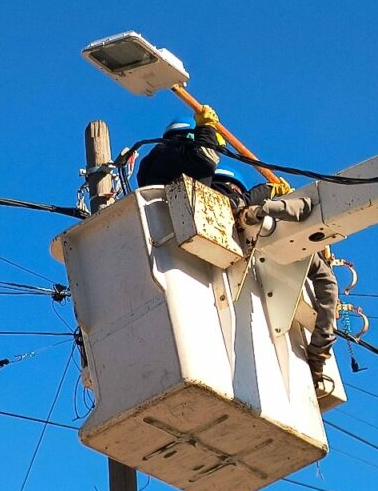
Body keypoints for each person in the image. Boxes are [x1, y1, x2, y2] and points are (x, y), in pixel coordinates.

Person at [210, 166, 340, 387]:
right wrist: (270, 192)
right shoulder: (238, 209)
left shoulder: (273, 226)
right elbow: (327, 283)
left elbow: (325, 280)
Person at [136, 105, 224, 188]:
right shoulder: (170, 153)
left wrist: (211, 140)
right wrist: (207, 129)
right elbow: (205, 159)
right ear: (190, 135)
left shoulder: (158, 157)